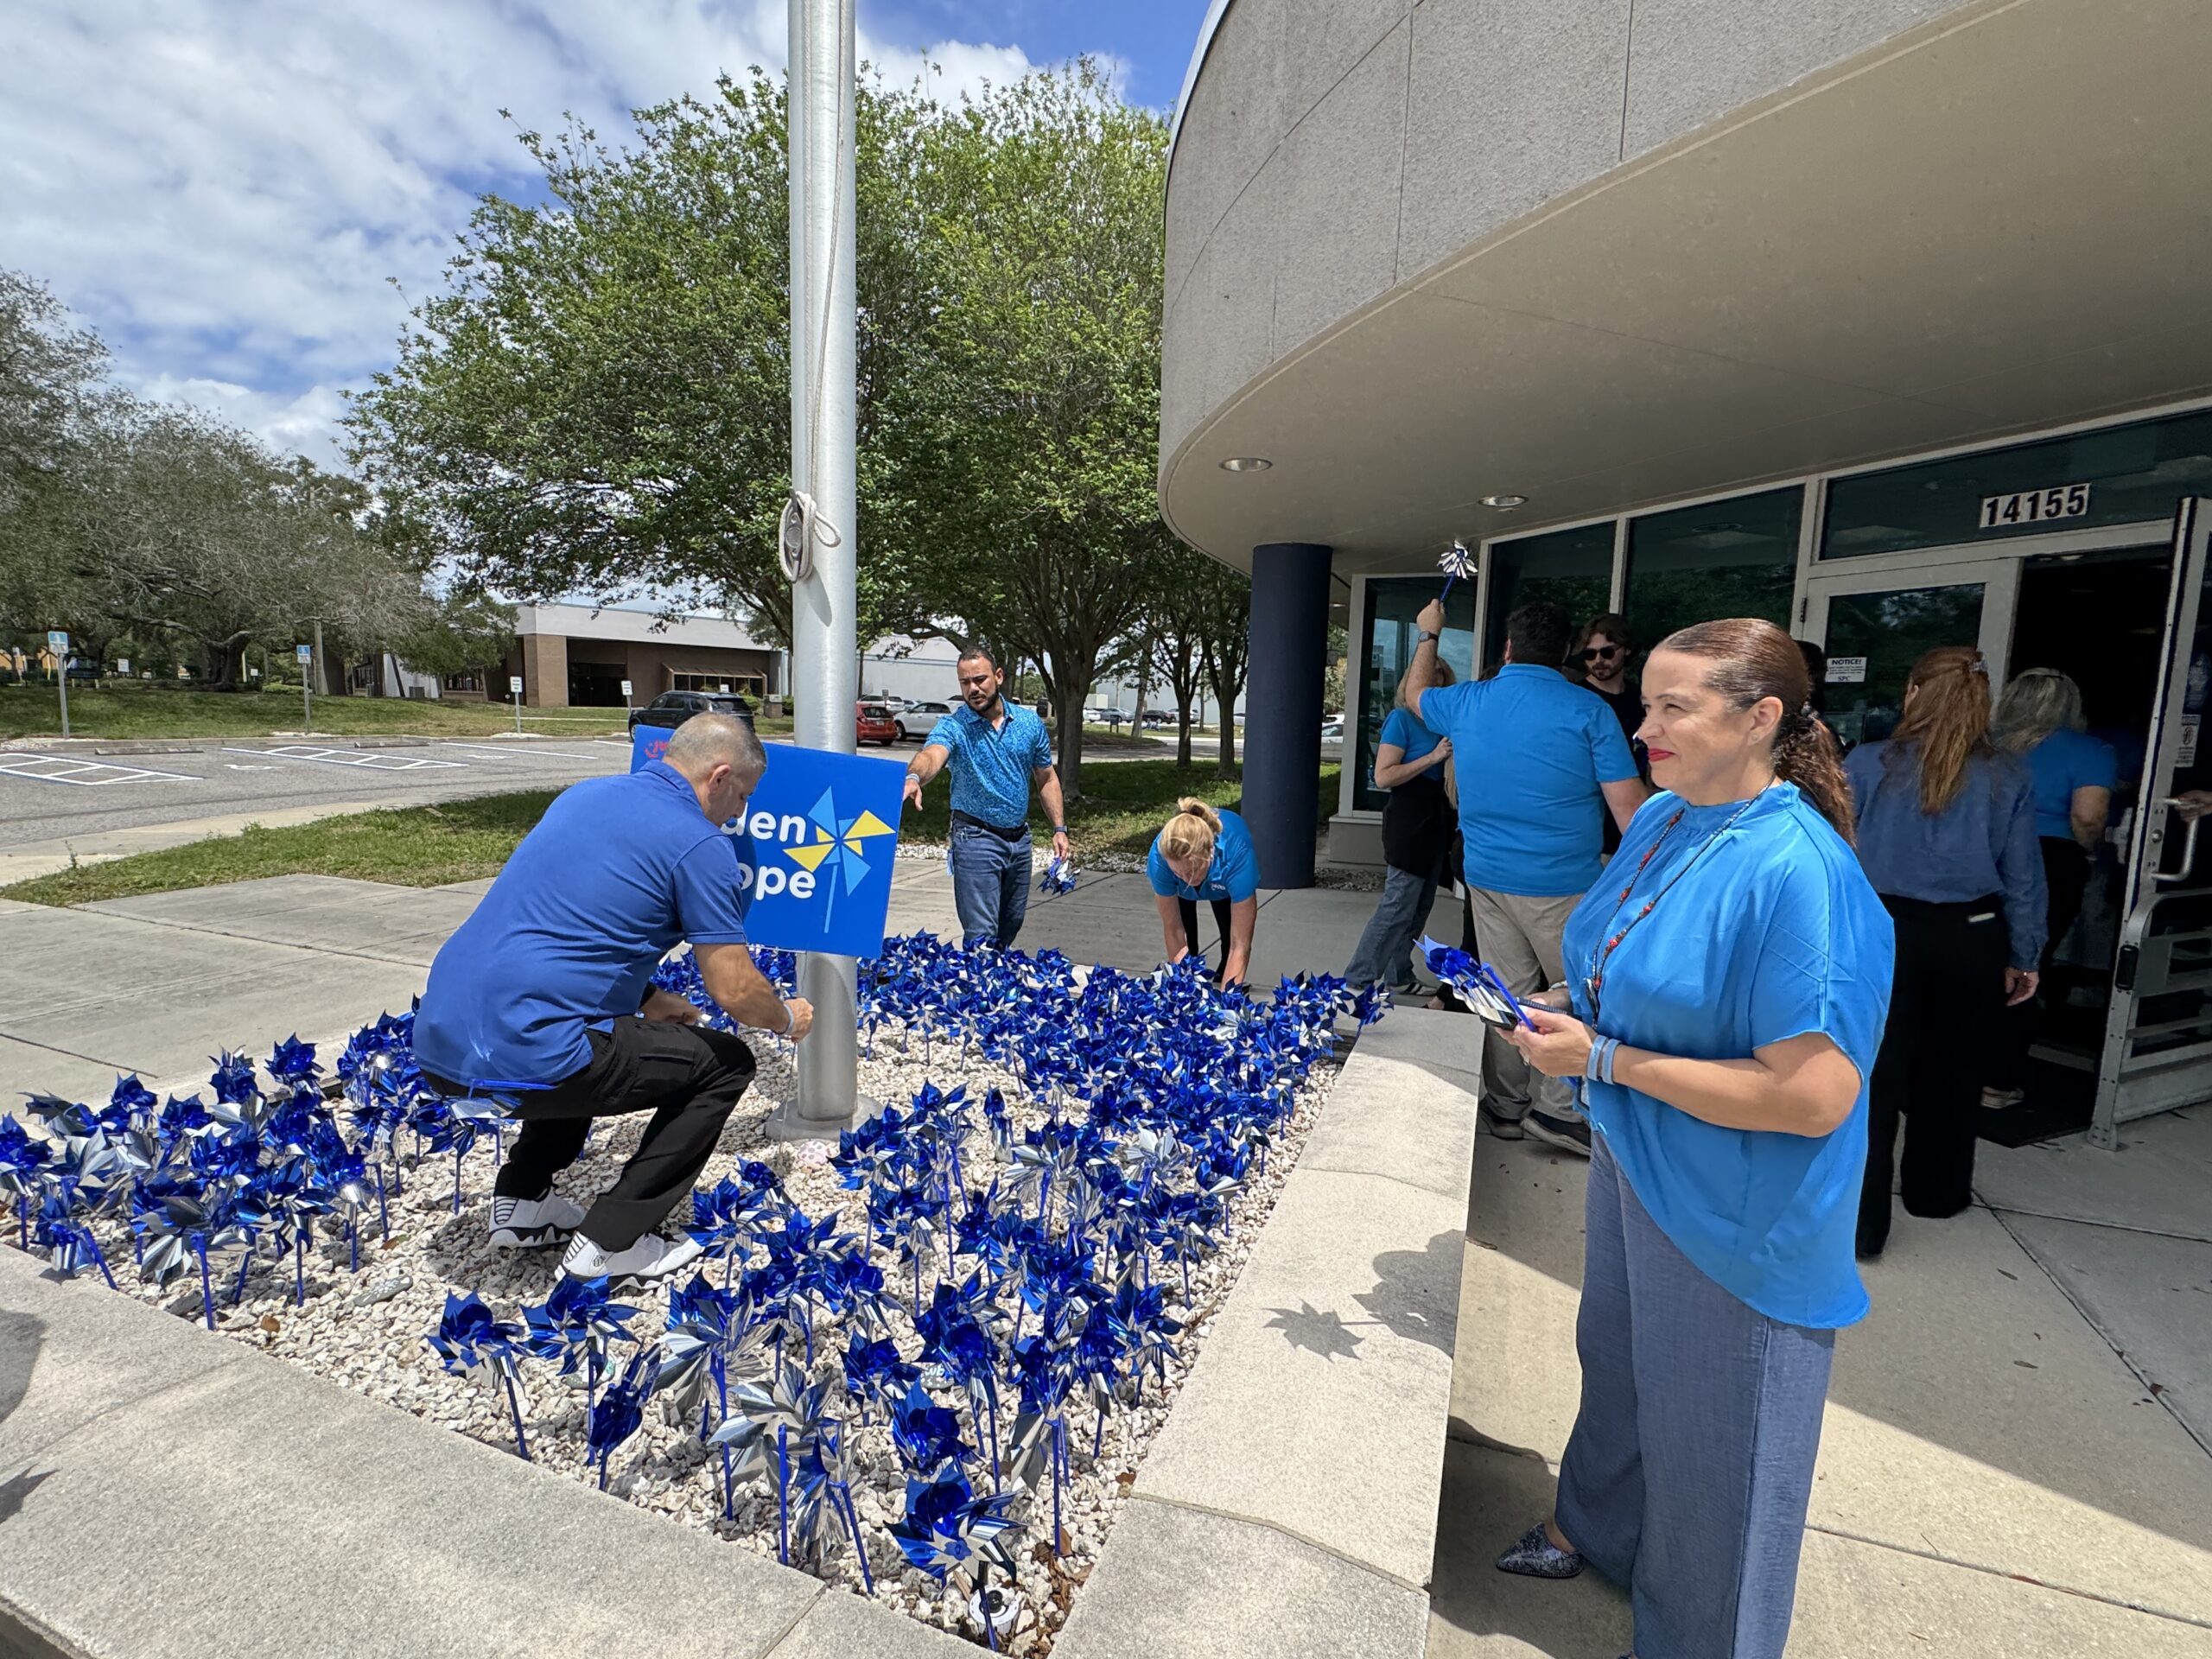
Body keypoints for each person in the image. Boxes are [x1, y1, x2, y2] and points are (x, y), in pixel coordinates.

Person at [1490, 618, 1892, 1659]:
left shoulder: (1803, 873)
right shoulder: (1669, 816)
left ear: (1760, 718)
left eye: (1674, 707)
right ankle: (1596, 1528)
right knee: (1619, 1368)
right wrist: (1566, 1004)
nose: (1643, 725)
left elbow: (1810, 1097)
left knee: (1726, 1453)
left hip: (1735, 1209)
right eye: (1646, 702)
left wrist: (1605, 1062)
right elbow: (1627, 951)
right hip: (1637, 1156)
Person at [412, 715, 813, 1283]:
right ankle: (614, 1241)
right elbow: (736, 990)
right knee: (725, 1065)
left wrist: (647, 996)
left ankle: (523, 1203)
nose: (740, 814)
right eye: (743, 796)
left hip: (440, 1044)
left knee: (593, 1030)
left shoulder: (584, 797)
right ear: (720, 776)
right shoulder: (700, 842)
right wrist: (785, 1017)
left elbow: (563, 924)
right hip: (527, 1055)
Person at [1406, 597, 1648, 1154]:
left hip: (1486, 877)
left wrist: (1428, 636)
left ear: (1509, 647)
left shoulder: (1467, 702)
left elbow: (1412, 695)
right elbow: (1631, 815)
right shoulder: (1590, 712)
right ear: (1566, 652)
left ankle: (1506, 1105)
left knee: (1506, 993)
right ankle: (1560, 1111)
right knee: (1577, 997)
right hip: (1563, 884)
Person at [1845, 646, 2044, 1259]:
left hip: (1883, 930)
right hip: (1972, 933)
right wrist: (2026, 952)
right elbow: (2023, 876)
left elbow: (1834, 856)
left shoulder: (1868, 763)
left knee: (1874, 1077)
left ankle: (1862, 1224)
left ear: (1912, 693)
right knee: (1954, 1074)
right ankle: (1936, 1192)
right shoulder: (2006, 775)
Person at [1985, 668, 2116, 1108]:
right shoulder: (2091, 751)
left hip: (1983, 854)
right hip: (2051, 858)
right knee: (2026, 964)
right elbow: (2089, 817)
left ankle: (1946, 1070)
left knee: (1977, 959)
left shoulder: (1986, 747)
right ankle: (1997, 1080)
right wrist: (2092, 852)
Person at [901, 646, 1071, 950]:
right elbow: (932, 755)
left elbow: (1046, 777)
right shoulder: (955, 726)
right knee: (981, 935)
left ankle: (992, 987)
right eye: (965, 683)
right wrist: (914, 776)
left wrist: (1059, 828)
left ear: (999, 676)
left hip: (1020, 841)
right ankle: (978, 991)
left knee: (1010, 924)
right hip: (975, 838)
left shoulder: (1029, 724)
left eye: (979, 680)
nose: (973, 689)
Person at [1344, 664, 1456, 993]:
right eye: (1427, 673)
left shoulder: (1442, 722)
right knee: (1397, 905)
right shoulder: (1401, 720)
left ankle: (1399, 974)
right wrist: (1433, 757)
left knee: (1419, 908)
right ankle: (1358, 979)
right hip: (1409, 820)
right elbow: (1383, 776)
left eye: (1440, 675)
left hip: (1438, 820)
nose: (1433, 680)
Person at [1147, 799, 1260, 986]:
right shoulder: (1159, 858)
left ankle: (1223, 974)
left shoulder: (1238, 853)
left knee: (1228, 934)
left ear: (1210, 851)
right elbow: (1174, 930)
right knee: (1187, 938)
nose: (1186, 880)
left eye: (1192, 870)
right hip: (1184, 892)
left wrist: (1227, 1005)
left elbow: (1240, 944)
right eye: (1177, 872)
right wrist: (1183, 993)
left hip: (1223, 883)